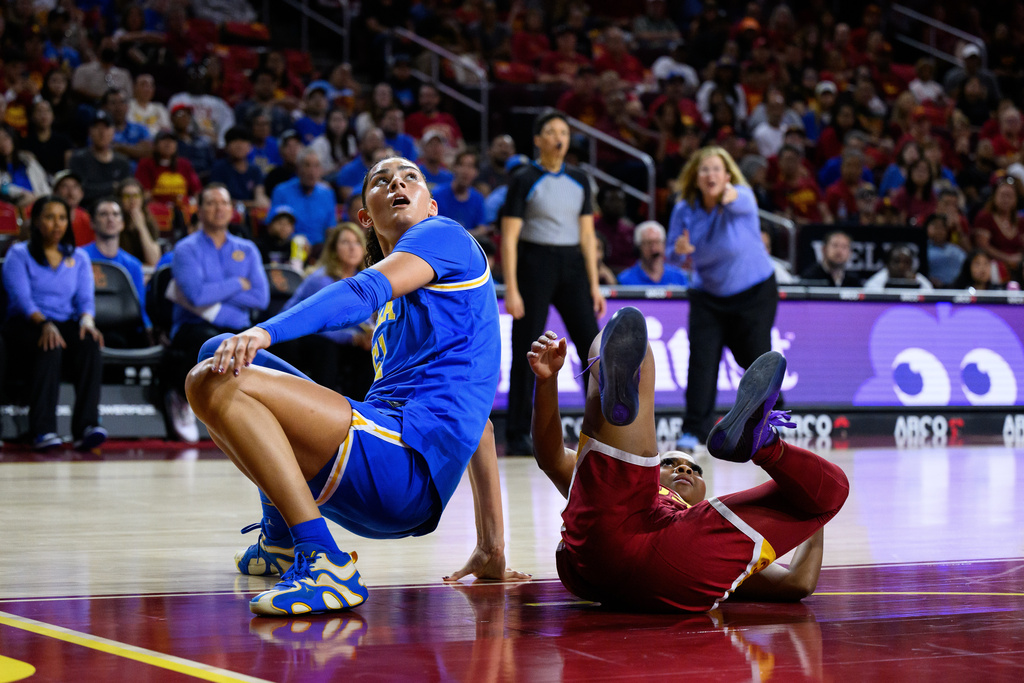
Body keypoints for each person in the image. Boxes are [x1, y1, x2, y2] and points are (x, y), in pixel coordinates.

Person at [184, 156, 526, 617]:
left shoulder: (445, 235)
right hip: (381, 460)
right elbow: (479, 427)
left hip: (401, 467)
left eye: (410, 178)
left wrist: (264, 331)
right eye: (382, 181)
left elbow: (362, 291)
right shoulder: (400, 306)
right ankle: (282, 539)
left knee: (210, 380)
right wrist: (491, 549)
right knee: (218, 352)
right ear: (366, 214)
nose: (397, 183)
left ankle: (324, 562)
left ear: (430, 205)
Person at [527, 308, 845, 611]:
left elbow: (796, 582)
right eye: (670, 463)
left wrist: (806, 498)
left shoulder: (698, 526)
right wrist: (546, 381)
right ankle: (619, 384)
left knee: (832, 490)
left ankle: (761, 444)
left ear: (704, 491)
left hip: (657, 553)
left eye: (694, 469)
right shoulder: (626, 491)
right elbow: (551, 458)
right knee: (629, 342)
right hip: (635, 538)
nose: (683, 468)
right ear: (652, 467)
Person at [502, 111, 607, 455]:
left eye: (563, 131)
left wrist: (594, 285)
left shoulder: (580, 179)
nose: (558, 137)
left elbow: (588, 234)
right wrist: (513, 288)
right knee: (527, 347)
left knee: (591, 346)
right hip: (535, 262)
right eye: (551, 131)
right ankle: (517, 431)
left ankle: (604, 424)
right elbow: (509, 237)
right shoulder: (524, 177)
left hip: (573, 263)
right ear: (538, 140)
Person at [667, 146, 779, 451]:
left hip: (755, 292)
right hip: (708, 298)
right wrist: (678, 252)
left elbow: (738, 199)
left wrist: (727, 195)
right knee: (701, 363)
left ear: (727, 175)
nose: (711, 174)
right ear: (696, 176)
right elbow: (670, 254)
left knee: (755, 359)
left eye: (717, 169)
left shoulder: (741, 196)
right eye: (705, 170)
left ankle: (772, 417)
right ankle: (693, 429)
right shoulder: (684, 209)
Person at [165, 184, 270, 442]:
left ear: (232, 209)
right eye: (211, 203)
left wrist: (216, 291)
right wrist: (238, 283)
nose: (218, 208)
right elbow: (196, 296)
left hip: (239, 328)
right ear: (198, 210)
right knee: (210, 339)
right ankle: (183, 400)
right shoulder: (186, 249)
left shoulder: (247, 249)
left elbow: (261, 297)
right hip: (193, 326)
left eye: (224, 203)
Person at [1, 196, 107, 452]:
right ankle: (43, 430)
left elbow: (85, 298)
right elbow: (22, 298)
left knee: (90, 342)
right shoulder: (19, 253)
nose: (56, 224)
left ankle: (86, 428)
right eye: (49, 217)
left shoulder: (79, 257)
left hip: (64, 321)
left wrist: (88, 321)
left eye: (61, 217)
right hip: (27, 323)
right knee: (50, 344)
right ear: (36, 221)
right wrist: (45, 324)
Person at [82, 198, 152, 346]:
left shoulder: (133, 264)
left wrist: (148, 328)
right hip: (90, 326)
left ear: (122, 223)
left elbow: (140, 304)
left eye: (115, 214)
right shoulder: (81, 258)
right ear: (92, 223)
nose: (110, 219)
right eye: (103, 214)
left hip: (125, 328)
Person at [270, 148, 337, 246]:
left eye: (316, 166)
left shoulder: (328, 194)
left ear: (321, 170)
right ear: (298, 168)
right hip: (288, 247)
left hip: (320, 250)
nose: (311, 171)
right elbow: (273, 228)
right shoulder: (281, 191)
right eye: (307, 165)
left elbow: (331, 229)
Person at [68, 111, 133, 208]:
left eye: (106, 127)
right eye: (97, 127)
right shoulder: (78, 159)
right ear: (90, 131)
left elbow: (126, 191)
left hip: (117, 214)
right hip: (87, 211)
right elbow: (78, 192)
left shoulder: (122, 162)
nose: (102, 132)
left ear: (113, 131)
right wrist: (112, 187)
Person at [973, 178, 1024, 273]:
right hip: (992, 265)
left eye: (1009, 196)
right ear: (994, 196)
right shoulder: (985, 217)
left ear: (1016, 199)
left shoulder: (1020, 220)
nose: (1006, 200)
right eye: (1003, 195)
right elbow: (983, 246)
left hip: (1018, 265)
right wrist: (1008, 258)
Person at [617, 221, 690, 287]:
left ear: (664, 244)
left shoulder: (679, 277)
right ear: (639, 247)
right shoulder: (625, 280)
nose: (654, 249)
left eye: (657, 242)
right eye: (649, 244)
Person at [433, 151, 488, 236]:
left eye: (470, 166)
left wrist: (462, 236)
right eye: (461, 165)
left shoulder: (477, 198)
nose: (465, 171)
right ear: (454, 167)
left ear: (476, 172)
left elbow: (482, 228)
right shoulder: (437, 195)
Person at [863, 244, 933, 291]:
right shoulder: (875, 283)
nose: (901, 266)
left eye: (906, 262)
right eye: (896, 261)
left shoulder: (920, 281)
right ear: (887, 264)